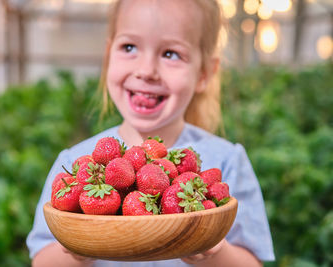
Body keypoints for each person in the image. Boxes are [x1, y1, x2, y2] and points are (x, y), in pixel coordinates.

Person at [27, 0, 275, 266]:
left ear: (204, 73)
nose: (146, 71)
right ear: (109, 54)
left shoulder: (227, 161)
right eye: (129, 47)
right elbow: (43, 259)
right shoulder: (78, 165)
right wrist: (79, 249)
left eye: (170, 54)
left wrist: (212, 252)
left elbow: (252, 261)